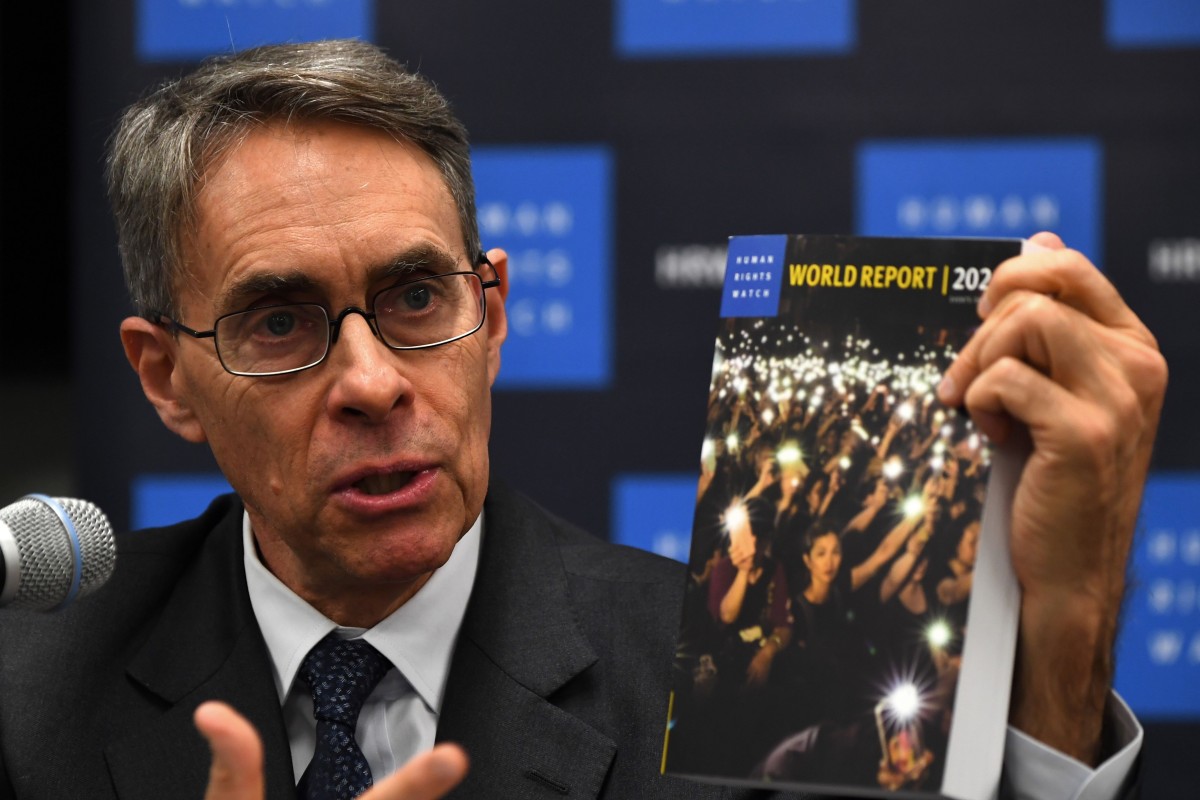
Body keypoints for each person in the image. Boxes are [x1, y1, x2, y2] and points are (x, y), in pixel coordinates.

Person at [0, 38, 1167, 800]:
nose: (370, 380)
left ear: (493, 311)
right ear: (163, 377)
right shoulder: (28, 679)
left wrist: (1061, 641)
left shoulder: (712, 687)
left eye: (416, 296)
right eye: (278, 321)